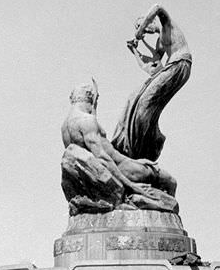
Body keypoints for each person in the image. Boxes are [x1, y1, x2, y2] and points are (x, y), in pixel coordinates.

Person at [62, 80, 178, 214]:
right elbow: (103, 158)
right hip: (121, 169)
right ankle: (167, 216)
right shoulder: (87, 121)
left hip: (117, 167)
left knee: (154, 172)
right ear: (91, 98)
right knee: (169, 181)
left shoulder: (66, 125)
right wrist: (130, 185)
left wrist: (135, 161)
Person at [113, 4, 192, 162]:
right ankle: (148, 144)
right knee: (141, 100)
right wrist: (135, 51)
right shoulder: (160, 43)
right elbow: (153, 67)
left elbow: (158, 7)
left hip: (180, 63)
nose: (145, 30)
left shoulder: (167, 25)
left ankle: (142, 146)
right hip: (173, 67)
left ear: (149, 21)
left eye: (143, 24)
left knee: (145, 101)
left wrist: (139, 29)